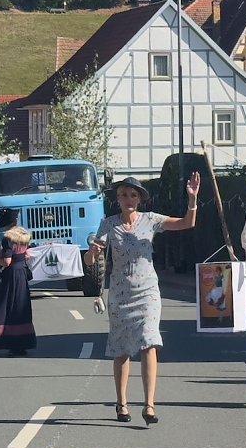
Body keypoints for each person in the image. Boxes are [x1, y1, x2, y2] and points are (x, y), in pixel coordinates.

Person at [84, 173, 201, 426]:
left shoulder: (151, 220)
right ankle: (122, 402)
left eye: (133, 195)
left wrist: (192, 200)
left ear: (140, 199)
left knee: (150, 341)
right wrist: (92, 252)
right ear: (118, 199)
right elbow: (90, 261)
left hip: (147, 291)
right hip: (119, 293)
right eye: (124, 195)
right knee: (122, 349)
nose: (129, 199)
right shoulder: (108, 224)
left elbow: (186, 223)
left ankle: (149, 404)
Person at [0, 209, 36, 357]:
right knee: (21, 307)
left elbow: (7, 261)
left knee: (6, 307)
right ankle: (22, 343)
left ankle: (9, 342)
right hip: (21, 274)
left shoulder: (8, 238)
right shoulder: (24, 237)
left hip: (11, 275)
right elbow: (27, 255)